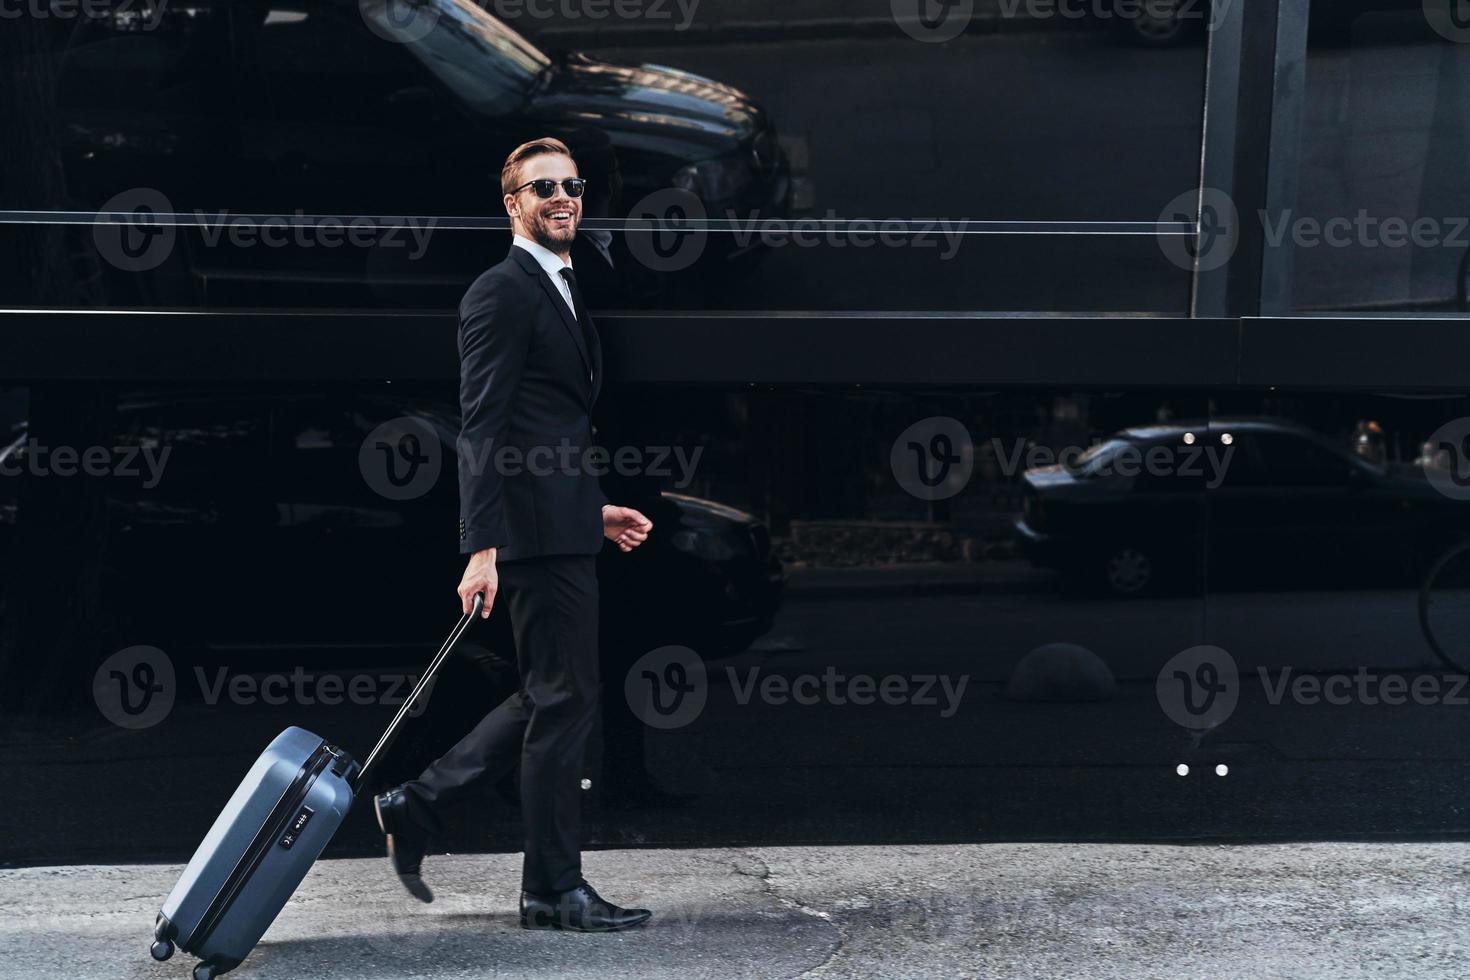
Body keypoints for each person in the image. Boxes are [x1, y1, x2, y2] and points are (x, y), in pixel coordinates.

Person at [373, 136, 655, 933]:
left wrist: (587, 509)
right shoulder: (501, 291)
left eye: (571, 185)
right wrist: (481, 545)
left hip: (556, 523)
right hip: (526, 538)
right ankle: (552, 889)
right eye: (541, 189)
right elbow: (484, 427)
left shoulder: (556, 284)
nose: (561, 197)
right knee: (566, 701)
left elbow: (544, 427)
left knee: (551, 695)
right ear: (512, 205)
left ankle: (420, 802)